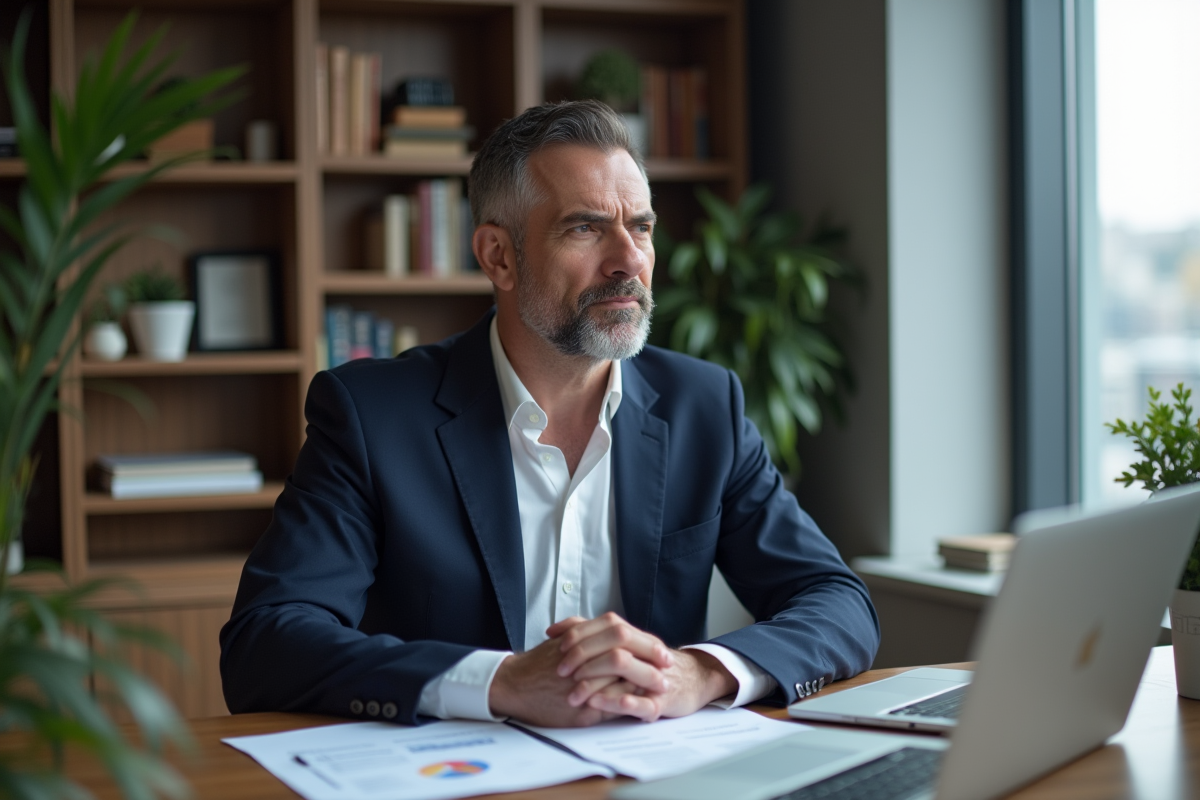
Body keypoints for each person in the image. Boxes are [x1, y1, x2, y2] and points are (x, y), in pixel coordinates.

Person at [220, 100, 879, 727]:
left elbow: (838, 603)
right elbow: (266, 642)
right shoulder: (373, 417)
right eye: (585, 227)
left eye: (641, 227)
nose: (629, 262)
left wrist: (697, 673)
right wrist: (499, 683)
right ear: (498, 256)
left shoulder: (705, 407)